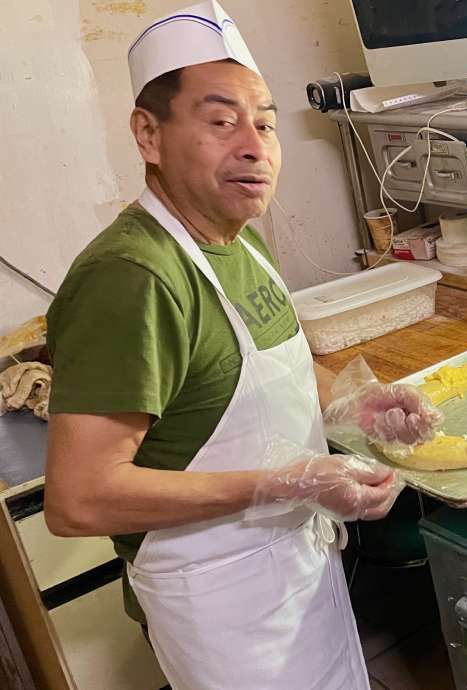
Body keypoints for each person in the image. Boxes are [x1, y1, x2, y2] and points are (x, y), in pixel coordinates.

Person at [42, 3, 424, 687]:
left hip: (298, 566)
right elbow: (80, 499)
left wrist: (358, 406)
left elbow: (272, 378)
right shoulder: (134, 277)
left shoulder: (239, 238)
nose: (254, 145)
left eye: (266, 123)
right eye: (221, 122)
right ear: (148, 135)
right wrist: (286, 482)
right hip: (218, 604)